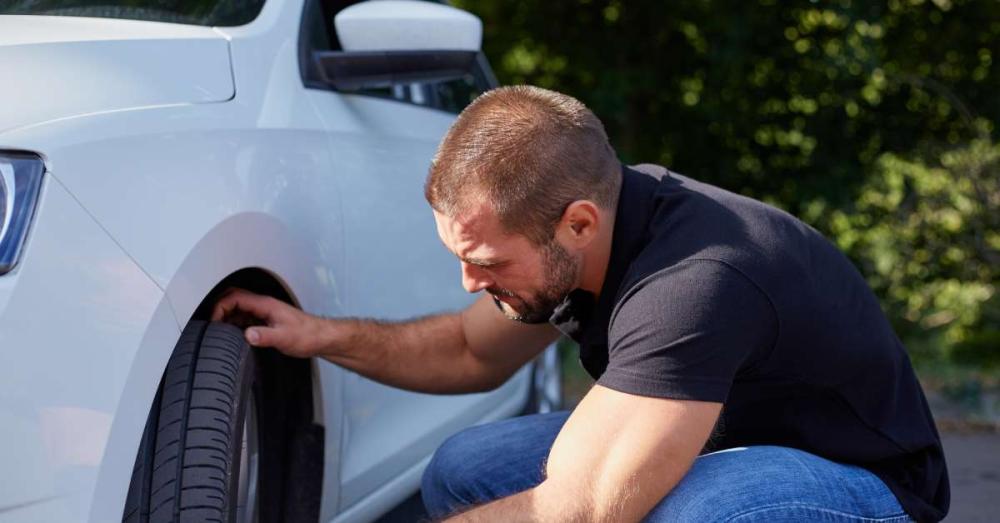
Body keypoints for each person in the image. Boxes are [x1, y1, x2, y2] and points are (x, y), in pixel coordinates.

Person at [212, 86, 949, 522]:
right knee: (466, 465)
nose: (471, 282)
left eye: (487, 262)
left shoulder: (696, 280)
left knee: (690, 513)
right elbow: (469, 350)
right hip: (727, 432)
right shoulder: (585, 238)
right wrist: (317, 332)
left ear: (578, 224)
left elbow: (584, 506)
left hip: (862, 479)